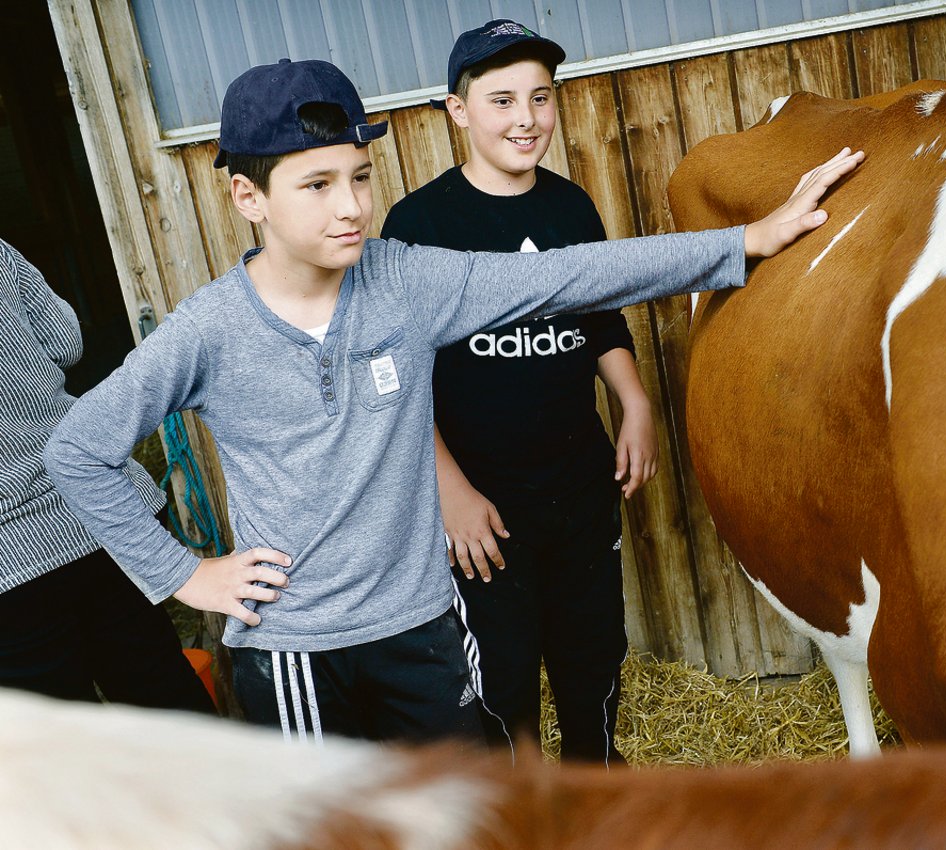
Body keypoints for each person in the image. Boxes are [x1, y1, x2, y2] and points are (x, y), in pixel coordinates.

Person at [44, 55, 863, 744]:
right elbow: (78, 448)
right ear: (247, 197)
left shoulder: (404, 279)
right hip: (297, 652)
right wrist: (186, 575)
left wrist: (745, 242)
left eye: (361, 178)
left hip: (427, 629)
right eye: (317, 184)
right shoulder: (208, 331)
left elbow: (564, 275)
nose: (351, 206)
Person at [381, 20, 653, 765]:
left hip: (579, 486)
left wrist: (634, 401)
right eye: (501, 100)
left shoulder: (570, 208)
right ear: (458, 111)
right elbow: (400, 380)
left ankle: (593, 784)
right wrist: (450, 491)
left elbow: (602, 318)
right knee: (501, 673)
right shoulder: (418, 226)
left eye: (540, 97)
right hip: (484, 507)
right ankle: (524, 809)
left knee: (592, 650)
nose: (525, 118)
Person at [0, 238, 214, 714]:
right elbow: (64, 341)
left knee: (58, 742)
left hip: (9, 571)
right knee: (158, 688)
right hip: (90, 513)